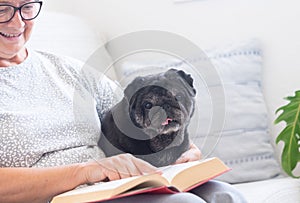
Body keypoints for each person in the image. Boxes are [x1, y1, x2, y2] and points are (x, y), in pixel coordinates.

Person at [0, 0, 247, 203]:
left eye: (27, 6)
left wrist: (181, 148)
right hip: (53, 197)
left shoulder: (67, 69)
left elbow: (133, 119)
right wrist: (85, 171)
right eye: (3, 8)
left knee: (225, 195)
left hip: (110, 187)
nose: (18, 21)